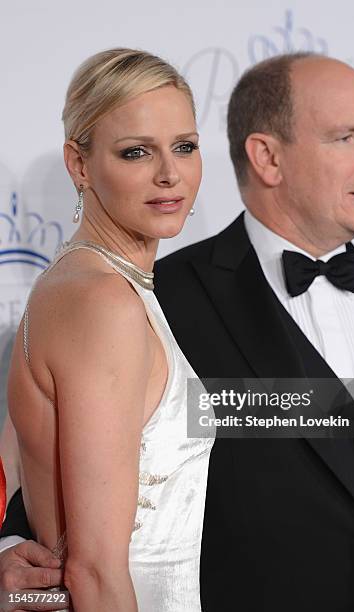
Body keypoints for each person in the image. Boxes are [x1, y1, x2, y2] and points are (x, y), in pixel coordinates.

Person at [2, 52, 354, 611]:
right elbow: (61, 471)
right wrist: (16, 553)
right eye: (345, 137)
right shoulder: (162, 299)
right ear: (266, 157)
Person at [0, 47, 214, 611]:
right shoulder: (102, 303)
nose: (170, 173)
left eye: (185, 147)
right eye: (136, 152)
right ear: (79, 165)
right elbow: (94, 571)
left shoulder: (86, 286)